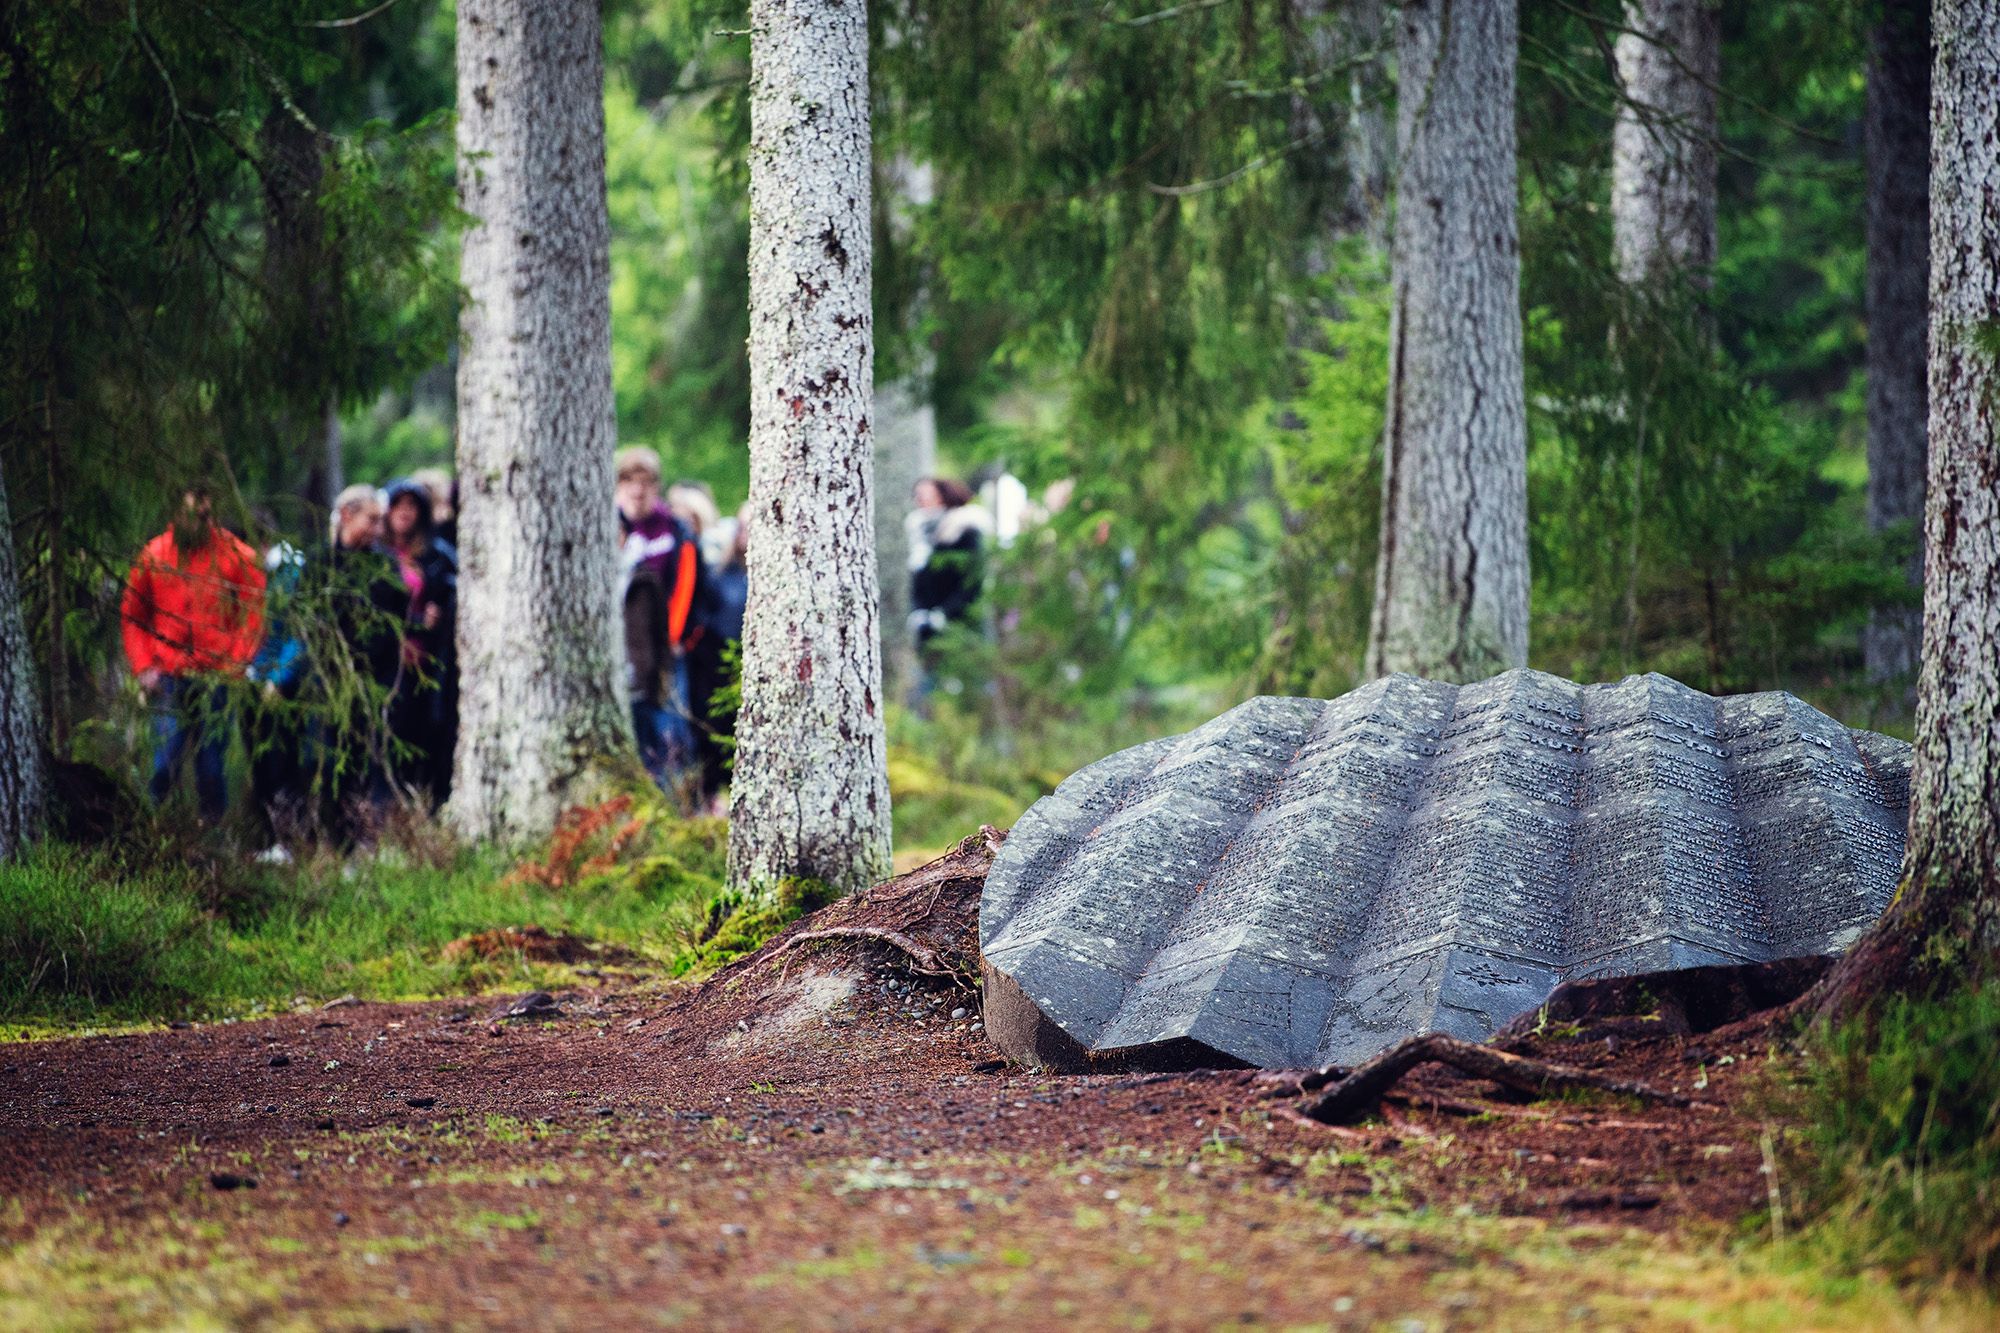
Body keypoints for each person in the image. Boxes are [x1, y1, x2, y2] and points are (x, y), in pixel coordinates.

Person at [120, 486, 267, 822]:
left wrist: (234, 662)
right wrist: (143, 666)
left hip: (216, 677)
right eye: (190, 514)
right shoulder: (154, 554)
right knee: (163, 761)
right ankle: (149, 831)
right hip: (168, 675)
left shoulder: (237, 556)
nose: (196, 523)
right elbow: (133, 616)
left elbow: (254, 617)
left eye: (203, 514)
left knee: (211, 765)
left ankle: (211, 838)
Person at [615, 447, 708, 790]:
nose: (637, 491)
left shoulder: (674, 531)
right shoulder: (607, 526)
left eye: (645, 482)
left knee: (670, 731)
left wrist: (676, 638)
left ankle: (678, 802)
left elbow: (689, 587)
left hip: (666, 650)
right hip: (620, 653)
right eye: (628, 481)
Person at [383, 478, 459, 805]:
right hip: (386, 662)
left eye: (412, 506)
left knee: (424, 737)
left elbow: (443, 607)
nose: (404, 513)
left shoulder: (437, 556)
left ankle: (423, 808)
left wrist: (431, 621)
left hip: (425, 664)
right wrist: (412, 620)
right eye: (398, 505)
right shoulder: (376, 554)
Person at [688, 509, 748, 810]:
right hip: (713, 667)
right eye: (744, 528)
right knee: (712, 731)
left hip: (746, 669)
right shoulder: (719, 575)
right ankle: (710, 797)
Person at [907, 477, 990, 647]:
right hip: (928, 627)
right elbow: (919, 580)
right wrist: (919, 610)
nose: (920, 499)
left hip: (964, 622)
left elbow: (973, 580)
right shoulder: (921, 534)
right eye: (918, 495)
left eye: (927, 494)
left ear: (943, 495)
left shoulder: (965, 529)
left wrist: (945, 612)